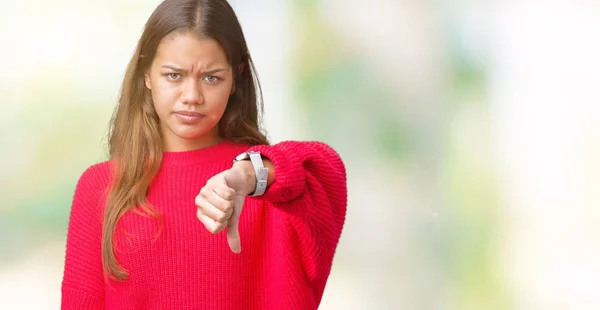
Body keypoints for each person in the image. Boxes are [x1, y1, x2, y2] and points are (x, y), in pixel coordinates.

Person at [60, 0, 347, 309]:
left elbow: (325, 168)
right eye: (173, 75)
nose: (192, 97)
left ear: (236, 77)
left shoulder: (272, 191)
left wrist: (250, 175)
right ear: (146, 74)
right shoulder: (100, 186)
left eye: (211, 77)